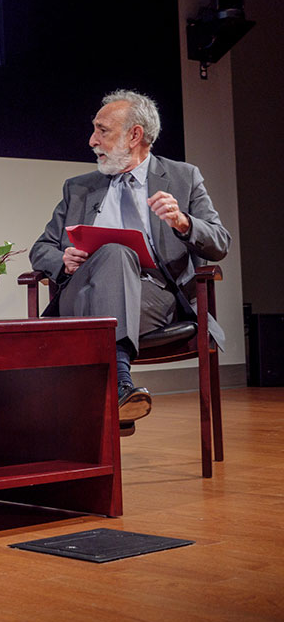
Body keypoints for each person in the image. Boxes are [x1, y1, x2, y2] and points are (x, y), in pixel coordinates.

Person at [30, 90, 230, 435]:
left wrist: (183, 222)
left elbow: (220, 242)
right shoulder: (79, 188)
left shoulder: (183, 177)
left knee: (117, 254)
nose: (92, 140)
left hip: (154, 300)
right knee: (116, 252)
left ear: (135, 135)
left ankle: (106, 393)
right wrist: (62, 259)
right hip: (83, 293)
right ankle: (121, 384)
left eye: (102, 130)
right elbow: (41, 248)